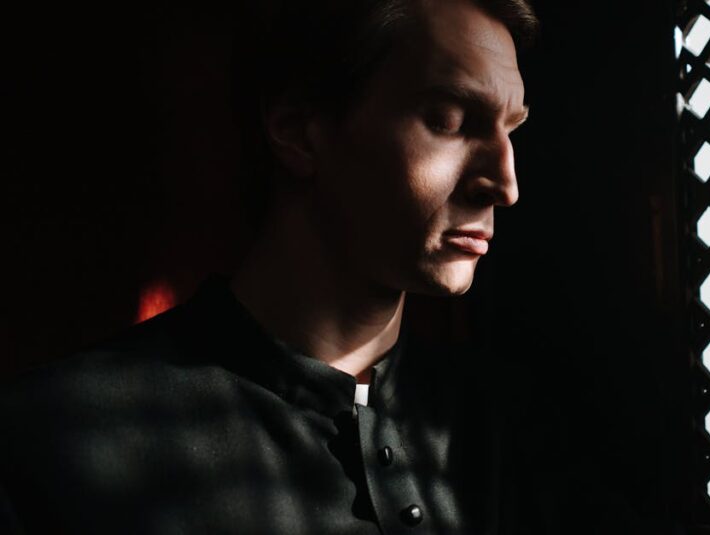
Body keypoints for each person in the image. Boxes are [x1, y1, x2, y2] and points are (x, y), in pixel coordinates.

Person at [0, 0, 536, 533]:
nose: (505, 185)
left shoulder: (515, 442)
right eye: (448, 120)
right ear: (297, 131)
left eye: (510, 129)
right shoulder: (56, 439)